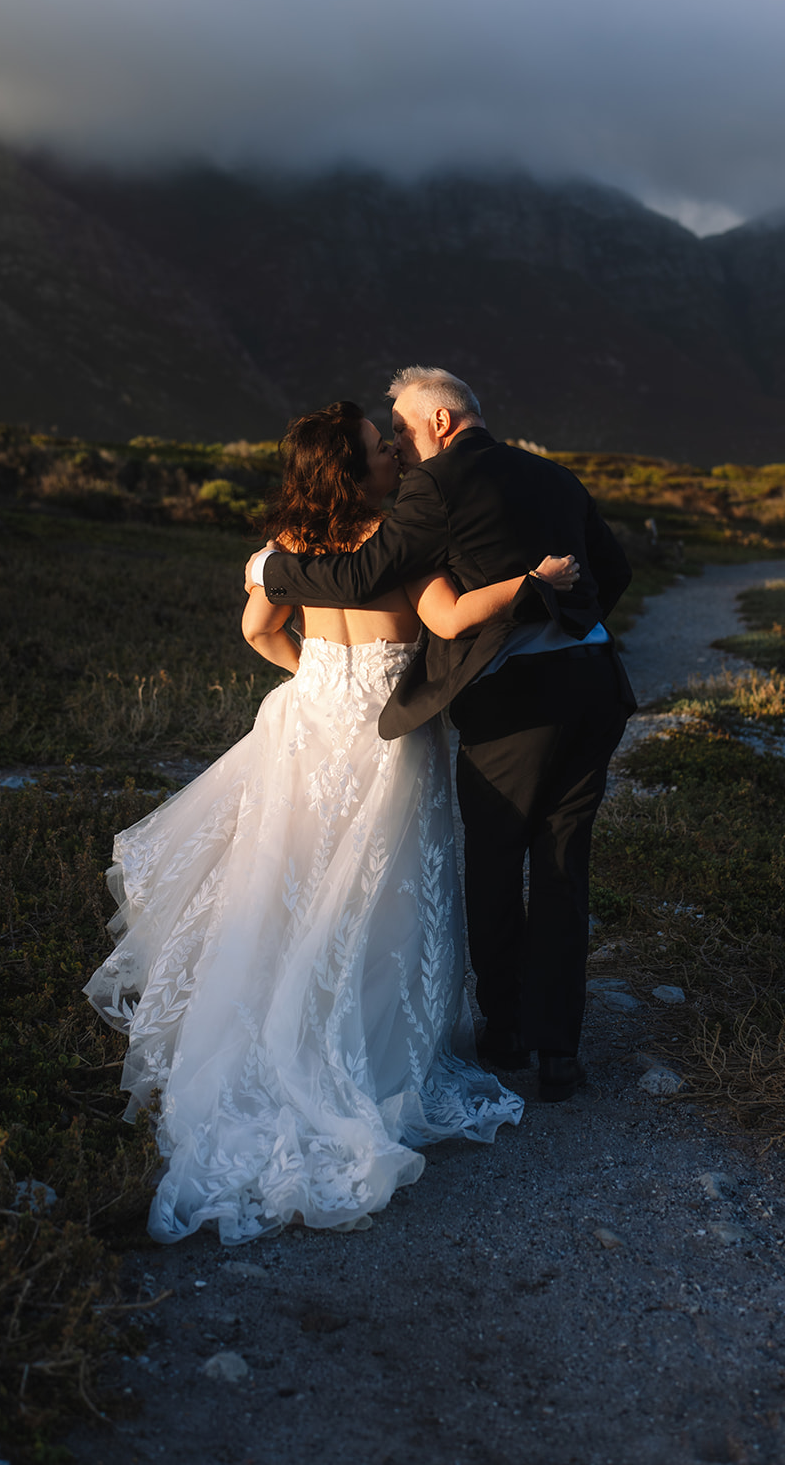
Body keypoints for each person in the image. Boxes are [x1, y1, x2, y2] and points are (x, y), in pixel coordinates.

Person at [85, 400, 578, 1243]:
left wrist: (317, 676)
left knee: (293, 881)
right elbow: (453, 620)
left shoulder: (283, 553)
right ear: (355, 471)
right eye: (381, 451)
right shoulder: (402, 546)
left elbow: (256, 629)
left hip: (307, 727)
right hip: (389, 739)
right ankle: (370, 1049)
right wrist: (536, 583)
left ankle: (273, 1027)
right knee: (379, 893)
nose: (395, 456)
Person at [248, 368, 636, 1103]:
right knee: (562, 864)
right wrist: (568, 625)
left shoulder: (436, 485)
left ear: (441, 424)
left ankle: (504, 1030)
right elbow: (612, 569)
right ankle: (558, 1053)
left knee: (495, 863)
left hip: (514, 706)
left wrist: (276, 568)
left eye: (399, 428)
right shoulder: (554, 475)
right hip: (593, 688)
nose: (395, 444)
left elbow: (364, 574)